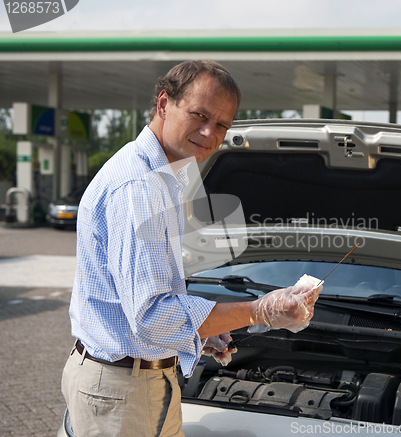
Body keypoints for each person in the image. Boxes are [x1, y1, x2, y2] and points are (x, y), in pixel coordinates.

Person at [61, 60, 321, 437]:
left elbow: (151, 298)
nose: (208, 132)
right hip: (122, 393)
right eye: (199, 114)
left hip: (133, 383)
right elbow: (151, 317)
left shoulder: (168, 172)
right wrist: (258, 310)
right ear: (164, 104)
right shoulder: (141, 186)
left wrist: (198, 331)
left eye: (221, 125)